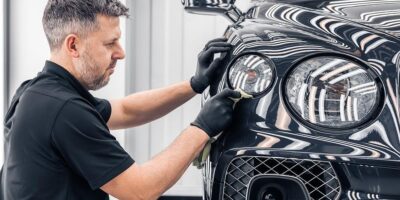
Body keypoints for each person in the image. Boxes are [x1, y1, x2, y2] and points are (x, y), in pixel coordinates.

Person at [0, 0, 241, 199]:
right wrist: (201, 128)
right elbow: (141, 190)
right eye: (110, 43)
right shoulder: (64, 109)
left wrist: (194, 85)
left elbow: (126, 110)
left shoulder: (36, 92)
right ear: (73, 45)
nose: (121, 53)